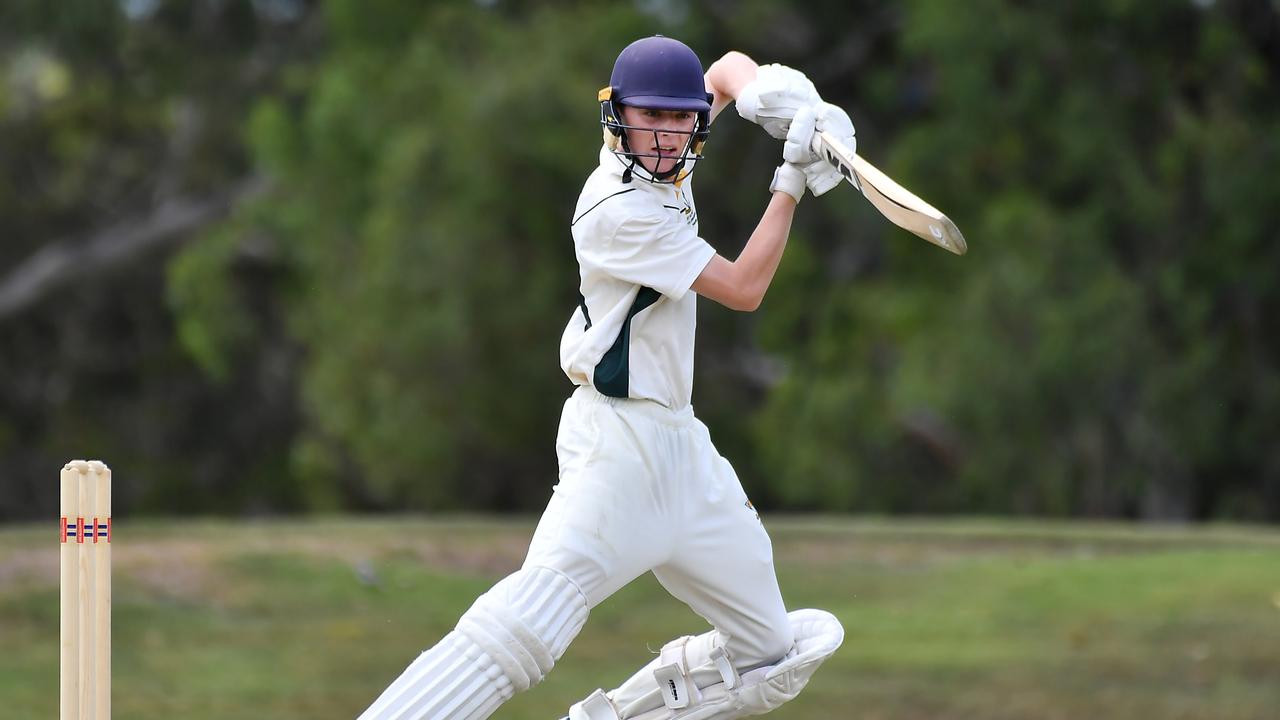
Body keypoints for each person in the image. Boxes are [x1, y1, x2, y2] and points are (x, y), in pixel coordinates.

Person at [358, 36, 856, 720]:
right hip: (616, 445)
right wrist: (790, 177)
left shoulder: (669, 168)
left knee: (775, 654)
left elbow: (719, 72)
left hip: (686, 452)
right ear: (617, 116)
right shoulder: (616, 208)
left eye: (683, 120)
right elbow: (743, 288)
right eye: (651, 116)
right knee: (530, 624)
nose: (667, 133)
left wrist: (780, 96)